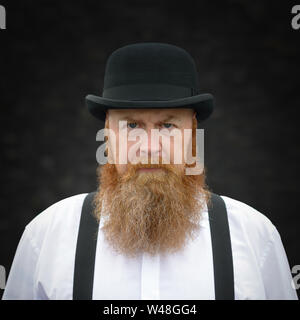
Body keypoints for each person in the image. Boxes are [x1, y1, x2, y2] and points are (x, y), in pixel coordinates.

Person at [2, 43, 298, 300]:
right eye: (131, 125)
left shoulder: (256, 238)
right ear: (107, 132)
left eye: (168, 125)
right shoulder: (46, 237)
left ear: (192, 132)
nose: (150, 148)